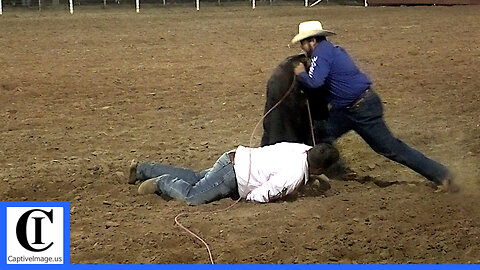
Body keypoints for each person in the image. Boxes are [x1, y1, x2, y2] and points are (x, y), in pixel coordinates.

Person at [291, 20, 458, 192]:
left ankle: (443, 175)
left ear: (311, 41)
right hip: (353, 107)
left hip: (359, 110)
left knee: (391, 148)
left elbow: (315, 82)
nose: (303, 48)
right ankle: (332, 170)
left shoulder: (321, 54)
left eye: (303, 43)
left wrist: (301, 74)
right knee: (319, 133)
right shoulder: (332, 50)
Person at [128, 142, 339, 204]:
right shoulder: (293, 176)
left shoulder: (301, 148)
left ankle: (142, 169)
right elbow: (264, 194)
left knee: (196, 178)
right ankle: (162, 182)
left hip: (233, 158)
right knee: (194, 196)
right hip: (234, 176)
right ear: (320, 169)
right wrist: (247, 197)